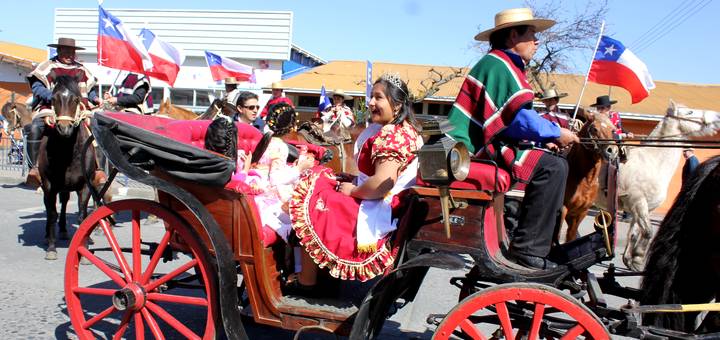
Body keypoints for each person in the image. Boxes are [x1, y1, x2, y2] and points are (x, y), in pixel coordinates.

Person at [446, 8, 579, 270]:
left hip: (484, 146)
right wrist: (557, 132)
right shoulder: (498, 64)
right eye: (532, 34)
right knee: (554, 167)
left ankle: (528, 244)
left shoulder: (501, 64)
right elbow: (517, 120)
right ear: (512, 36)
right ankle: (528, 249)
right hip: (471, 151)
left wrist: (543, 139)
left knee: (551, 162)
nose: (537, 41)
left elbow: (507, 122)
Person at [285, 73, 423, 296]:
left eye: (378, 97)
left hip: (380, 204)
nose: (370, 103)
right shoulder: (395, 128)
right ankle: (322, 272)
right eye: (371, 96)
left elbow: (381, 184)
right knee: (324, 179)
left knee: (317, 197)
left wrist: (354, 190)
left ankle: (307, 280)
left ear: (396, 105)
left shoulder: (394, 135)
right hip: (380, 197)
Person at [25, 37, 100, 187]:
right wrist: (52, 97)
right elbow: (37, 88)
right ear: (58, 50)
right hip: (50, 108)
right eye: (65, 51)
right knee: (35, 128)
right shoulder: (47, 67)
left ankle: (99, 170)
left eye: (71, 51)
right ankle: (34, 169)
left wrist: (95, 98)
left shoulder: (81, 70)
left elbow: (89, 89)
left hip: (79, 110)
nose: (69, 54)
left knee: (99, 129)